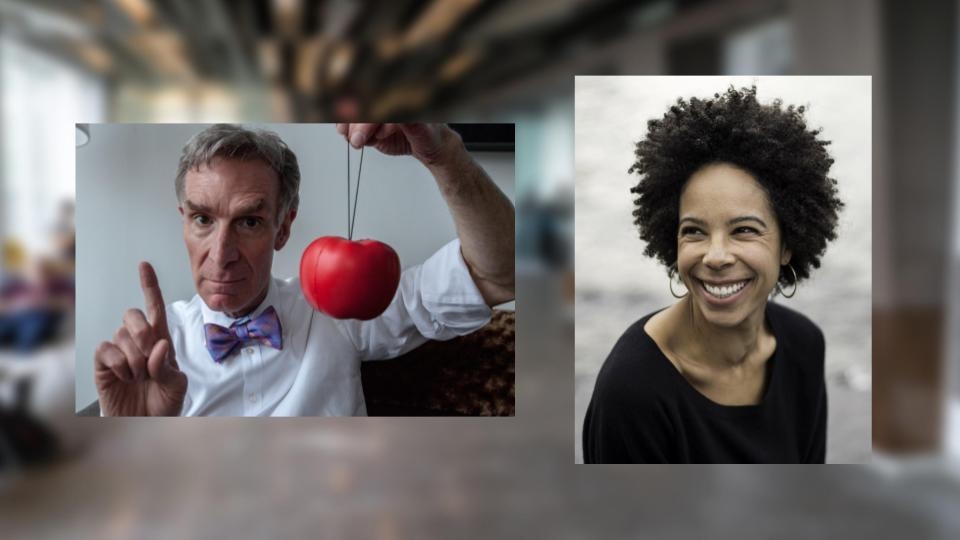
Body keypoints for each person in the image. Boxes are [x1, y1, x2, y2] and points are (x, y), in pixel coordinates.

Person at [93, 123, 515, 416]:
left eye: (249, 221)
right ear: (183, 220)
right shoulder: (153, 353)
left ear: (284, 227)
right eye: (203, 219)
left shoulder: (338, 308)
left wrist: (443, 153)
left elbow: (498, 273)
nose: (221, 254)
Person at [582, 87, 844, 463]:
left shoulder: (804, 345)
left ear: (788, 244)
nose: (715, 256)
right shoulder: (631, 393)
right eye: (694, 231)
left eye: (744, 230)